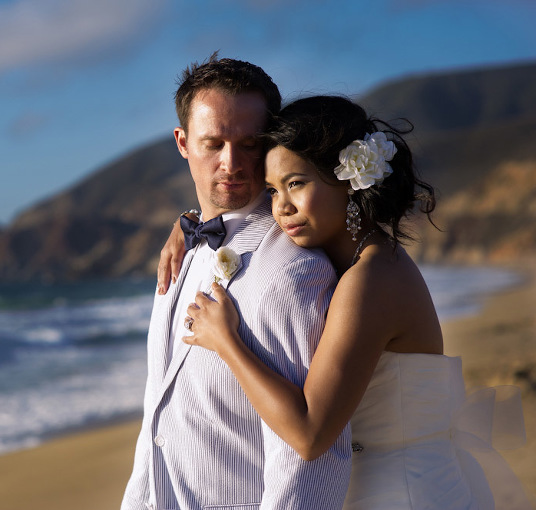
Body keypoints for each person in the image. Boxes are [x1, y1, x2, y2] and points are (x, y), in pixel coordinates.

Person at [158, 95, 531, 509]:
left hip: (403, 492)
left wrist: (226, 341)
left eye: (296, 183)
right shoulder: (356, 259)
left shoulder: (371, 279)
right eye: (271, 189)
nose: (281, 207)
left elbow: (310, 435)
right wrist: (190, 221)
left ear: (349, 179)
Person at [121, 56, 352, 510]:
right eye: (214, 143)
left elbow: (307, 465)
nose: (231, 163)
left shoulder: (291, 271)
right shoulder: (181, 253)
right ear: (183, 143)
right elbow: (157, 418)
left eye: (249, 143)